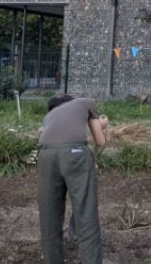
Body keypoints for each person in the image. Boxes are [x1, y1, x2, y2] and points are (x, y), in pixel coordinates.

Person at [37, 94, 108, 264]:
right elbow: (100, 141)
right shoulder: (87, 102)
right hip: (75, 155)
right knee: (86, 214)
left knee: (49, 217)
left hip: (45, 156)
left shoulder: (49, 116)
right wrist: (103, 125)